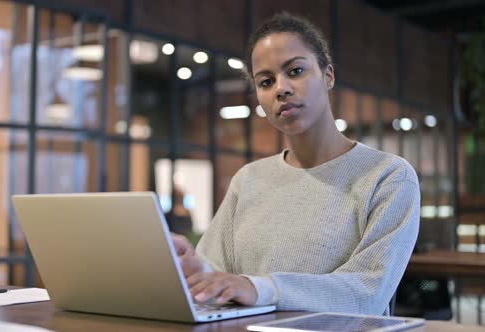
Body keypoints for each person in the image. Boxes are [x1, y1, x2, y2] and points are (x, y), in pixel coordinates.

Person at [172, 12, 420, 316]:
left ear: (328, 75)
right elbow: (225, 282)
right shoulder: (248, 179)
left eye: (296, 70)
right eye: (266, 81)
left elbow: (367, 292)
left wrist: (261, 289)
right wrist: (199, 271)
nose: (281, 88)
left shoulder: (388, 177)